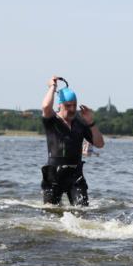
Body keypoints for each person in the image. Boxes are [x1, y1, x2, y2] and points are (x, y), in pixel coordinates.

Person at [40, 76, 104, 206]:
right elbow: (46, 106)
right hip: (54, 174)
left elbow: (99, 144)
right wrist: (53, 87)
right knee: (50, 213)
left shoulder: (80, 122)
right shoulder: (52, 120)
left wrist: (91, 122)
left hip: (75, 174)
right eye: (68, 106)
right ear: (60, 105)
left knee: (83, 211)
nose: (72, 109)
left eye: (75, 105)